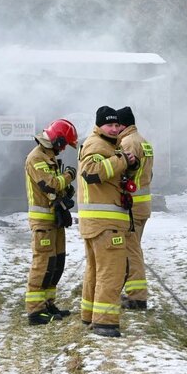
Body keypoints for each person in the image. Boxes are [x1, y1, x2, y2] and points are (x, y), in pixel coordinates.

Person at [77, 106, 138, 337]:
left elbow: (113, 177)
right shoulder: (97, 145)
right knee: (111, 272)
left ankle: (89, 316)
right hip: (105, 224)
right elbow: (91, 173)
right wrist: (121, 159)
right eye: (109, 125)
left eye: (116, 125)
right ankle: (105, 323)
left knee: (95, 271)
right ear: (99, 125)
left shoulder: (110, 146)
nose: (114, 129)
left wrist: (130, 164)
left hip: (98, 223)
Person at [24, 119, 78, 325]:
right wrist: (68, 176)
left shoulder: (49, 157)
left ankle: (48, 304)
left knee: (56, 264)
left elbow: (58, 189)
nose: (63, 149)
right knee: (43, 265)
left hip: (54, 220)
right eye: (63, 145)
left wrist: (66, 193)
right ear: (57, 140)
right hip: (43, 222)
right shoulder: (36, 158)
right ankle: (35, 311)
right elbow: (50, 185)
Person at [117, 106, 154, 310]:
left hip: (132, 205)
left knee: (131, 251)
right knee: (133, 249)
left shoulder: (128, 143)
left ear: (123, 124)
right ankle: (133, 293)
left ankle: (137, 298)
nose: (114, 129)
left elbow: (124, 172)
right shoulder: (143, 141)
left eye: (116, 125)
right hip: (142, 205)